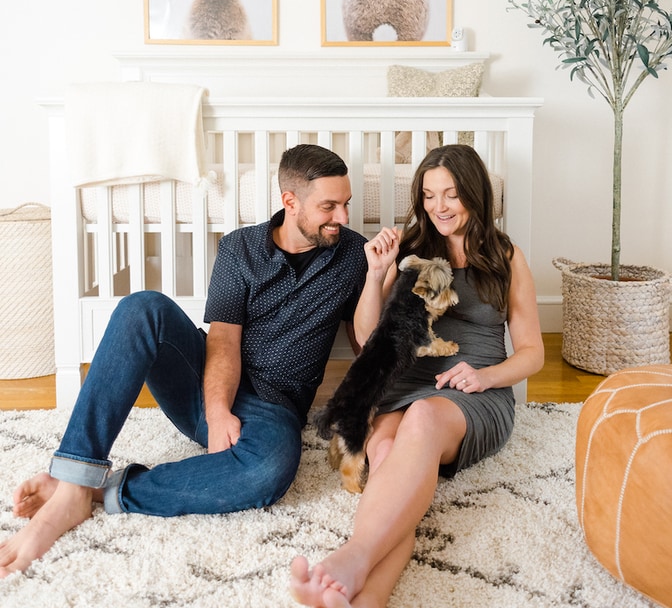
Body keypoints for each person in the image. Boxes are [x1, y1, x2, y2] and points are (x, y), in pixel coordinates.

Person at [0, 144, 387, 578]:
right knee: (143, 307)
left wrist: (375, 277)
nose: (343, 217)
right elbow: (222, 339)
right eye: (329, 206)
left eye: (347, 204)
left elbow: (367, 346)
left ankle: (97, 492)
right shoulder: (240, 248)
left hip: (272, 410)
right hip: (205, 386)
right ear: (290, 201)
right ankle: (74, 477)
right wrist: (218, 411)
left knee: (271, 467)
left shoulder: (354, 254)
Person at [290, 144, 544, 608]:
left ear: (476, 194)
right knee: (384, 459)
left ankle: (354, 557)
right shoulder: (411, 247)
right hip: (405, 385)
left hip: (473, 391)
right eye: (429, 195)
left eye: (451, 194)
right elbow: (366, 337)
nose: (440, 206)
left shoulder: (505, 255)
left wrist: (484, 374)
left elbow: (534, 354)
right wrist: (375, 273)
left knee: (425, 421)